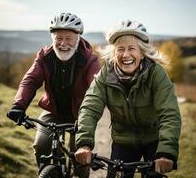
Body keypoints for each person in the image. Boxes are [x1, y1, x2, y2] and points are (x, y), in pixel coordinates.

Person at [75, 19, 181, 178]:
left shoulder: (156, 74)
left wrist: (166, 152)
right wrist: (84, 144)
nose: (126, 55)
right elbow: (90, 107)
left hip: (154, 140)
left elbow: (169, 113)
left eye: (132, 48)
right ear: (113, 52)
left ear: (142, 52)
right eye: (120, 49)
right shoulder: (106, 74)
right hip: (123, 141)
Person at [7, 11, 100, 178]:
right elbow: (30, 80)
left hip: (81, 114)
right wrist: (18, 105)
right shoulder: (45, 56)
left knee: (79, 155)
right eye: (58, 38)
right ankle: (47, 174)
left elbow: (97, 88)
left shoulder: (89, 59)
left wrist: (90, 115)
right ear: (53, 39)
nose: (63, 43)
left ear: (77, 38)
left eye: (68, 38)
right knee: (41, 145)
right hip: (53, 111)